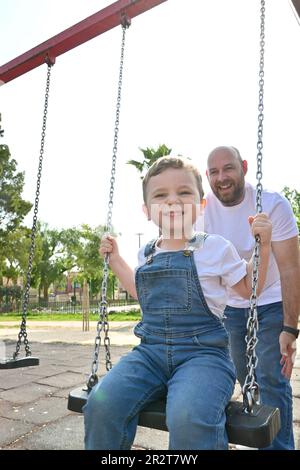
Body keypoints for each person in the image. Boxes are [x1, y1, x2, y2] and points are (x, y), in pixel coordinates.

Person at [83, 156, 272, 450]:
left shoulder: (215, 247)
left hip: (204, 357)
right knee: (100, 405)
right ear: (147, 210)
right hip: (149, 354)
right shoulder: (147, 253)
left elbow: (249, 289)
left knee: (188, 416)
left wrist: (264, 245)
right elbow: (140, 293)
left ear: (201, 205)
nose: (172, 201)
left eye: (183, 193)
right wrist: (116, 259)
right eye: (161, 195)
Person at [200, 145, 300, 450]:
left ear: (244, 166)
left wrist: (290, 328)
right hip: (231, 306)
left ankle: (280, 447)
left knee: (271, 378)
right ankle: (263, 440)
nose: (222, 177)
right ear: (207, 176)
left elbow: (291, 268)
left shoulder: (272, 204)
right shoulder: (203, 211)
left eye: (228, 168)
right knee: (246, 379)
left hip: (269, 301)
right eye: (214, 172)